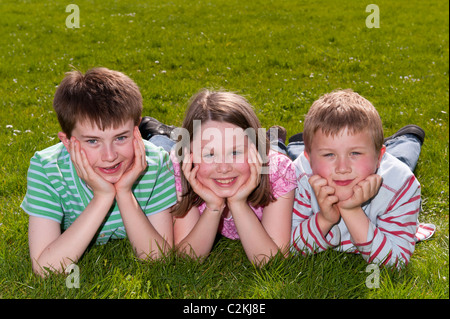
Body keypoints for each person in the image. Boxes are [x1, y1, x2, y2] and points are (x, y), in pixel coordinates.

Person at [21, 67, 177, 276]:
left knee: (174, 150)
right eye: (93, 141)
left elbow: (158, 257)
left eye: (121, 137)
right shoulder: (47, 169)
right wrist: (102, 196)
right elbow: (45, 269)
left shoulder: (156, 163)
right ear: (67, 142)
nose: (109, 155)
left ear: (135, 130)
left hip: (161, 147)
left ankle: (159, 134)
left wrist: (124, 192)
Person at [140, 89, 297, 266]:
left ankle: (274, 139)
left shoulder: (279, 172)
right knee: (159, 143)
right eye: (209, 155)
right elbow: (187, 259)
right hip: (176, 147)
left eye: (235, 152)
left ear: (256, 149)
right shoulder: (180, 168)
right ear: (189, 155)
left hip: (269, 155)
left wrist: (238, 204)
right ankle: (158, 131)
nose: (223, 168)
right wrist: (214, 207)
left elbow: (271, 261)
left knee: (278, 149)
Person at [282, 89, 434, 268]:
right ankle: (299, 144)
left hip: (387, 168)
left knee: (404, 157)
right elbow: (285, 247)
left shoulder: (400, 185)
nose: (342, 168)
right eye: (329, 154)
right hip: (329, 156)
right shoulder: (297, 176)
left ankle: (408, 137)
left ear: (379, 157)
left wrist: (351, 210)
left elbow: (396, 262)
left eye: (355, 153)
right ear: (308, 158)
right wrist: (324, 219)